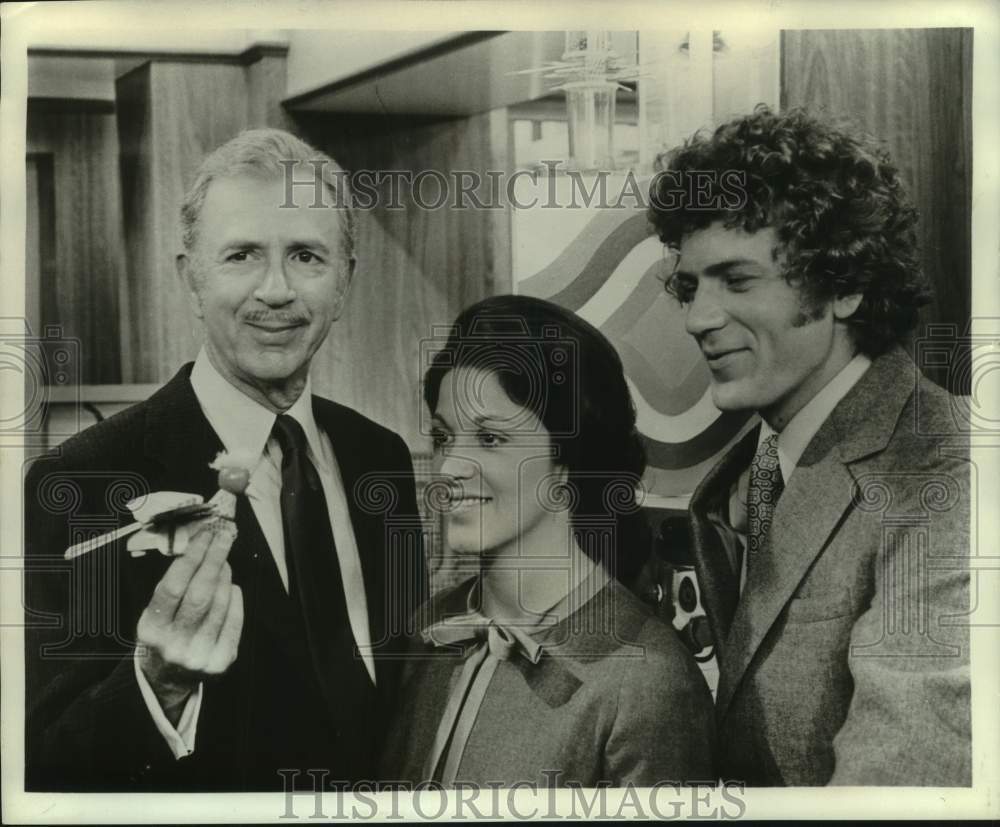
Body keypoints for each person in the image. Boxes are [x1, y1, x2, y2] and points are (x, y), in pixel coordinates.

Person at [24, 129, 426, 790]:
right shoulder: (81, 481)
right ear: (191, 279)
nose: (277, 290)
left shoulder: (379, 457)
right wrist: (157, 681)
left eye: (306, 256)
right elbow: (43, 769)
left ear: (345, 283)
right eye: (242, 255)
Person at [648, 106, 970, 786]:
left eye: (738, 280)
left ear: (845, 287)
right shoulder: (752, 467)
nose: (698, 318)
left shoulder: (950, 469)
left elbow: (902, 785)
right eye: (690, 287)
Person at [381, 295, 715, 787]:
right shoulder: (429, 628)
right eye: (443, 437)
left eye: (490, 439)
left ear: (567, 460)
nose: (449, 467)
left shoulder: (648, 680)